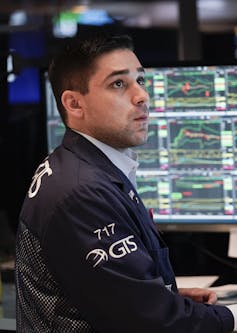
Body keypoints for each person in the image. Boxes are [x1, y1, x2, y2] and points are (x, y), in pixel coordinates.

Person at [15, 33, 237, 333]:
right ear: (74, 103)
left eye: (140, 81)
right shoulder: (81, 192)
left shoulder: (79, 165)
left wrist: (163, 295)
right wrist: (231, 317)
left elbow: (104, 294)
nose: (142, 96)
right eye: (118, 84)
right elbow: (153, 324)